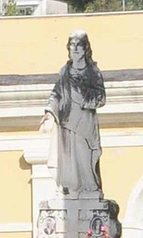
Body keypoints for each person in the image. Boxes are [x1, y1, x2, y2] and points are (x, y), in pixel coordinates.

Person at [41, 30, 106, 198]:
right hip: (67, 120)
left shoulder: (93, 72)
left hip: (84, 121)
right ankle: (70, 187)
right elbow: (56, 94)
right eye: (72, 45)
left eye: (79, 45)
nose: (75, 48)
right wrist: (49, 113)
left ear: (85, 49)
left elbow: (101, 97)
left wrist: (82, 97)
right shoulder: (65, 72)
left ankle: (89, 187)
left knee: (84, 153)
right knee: (67, 156)